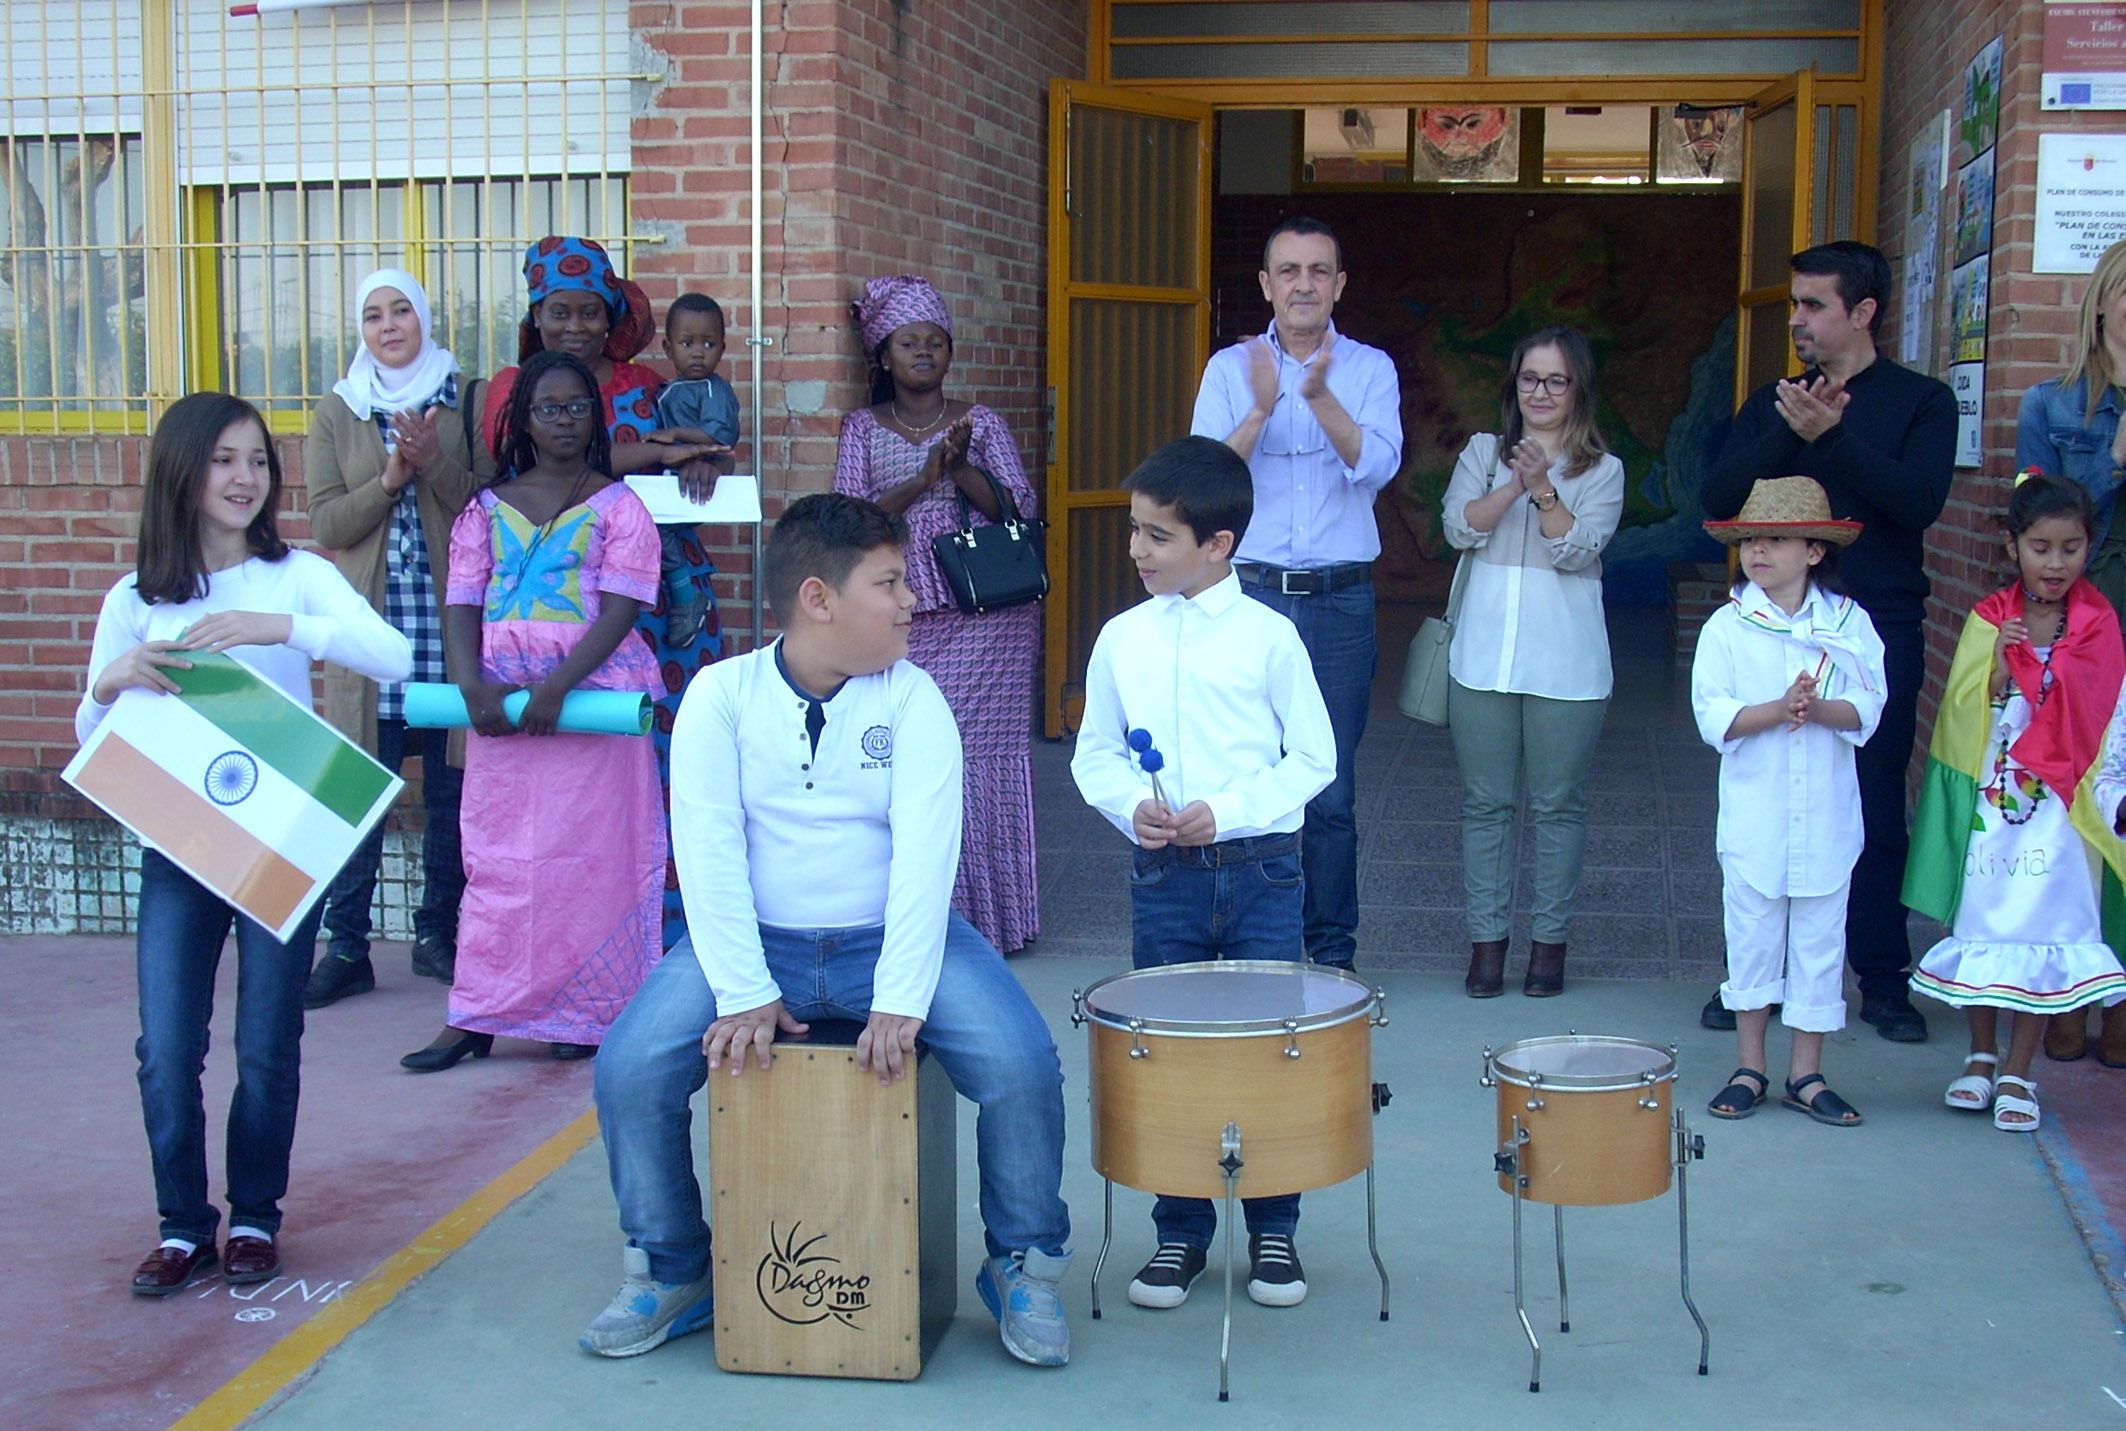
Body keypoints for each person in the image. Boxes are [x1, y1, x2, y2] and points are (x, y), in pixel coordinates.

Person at [584, 494, 1072, 1367]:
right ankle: (674, 1265)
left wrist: (899, 997)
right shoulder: (720, 697)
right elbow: (707, 852)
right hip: (754, 939)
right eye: (888, 583)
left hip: (888, 936)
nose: (910, 600)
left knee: (1019, 1061)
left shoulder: (916, 698)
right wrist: (743, 989)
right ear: (819, 598)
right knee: (629, 1067)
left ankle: (1023, 1261)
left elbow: (930, 858)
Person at [78, 392, 412, 1294]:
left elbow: (393, 655)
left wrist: (281, 627)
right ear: (183, 471)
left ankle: (256, 1215)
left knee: (267, 1039)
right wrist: (112, 681)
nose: (244, 478)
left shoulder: (294, 573)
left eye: (258, 461)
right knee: (167, 1045)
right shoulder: (136, 596)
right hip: (181, 843)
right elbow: (88, 737)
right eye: (224, 460)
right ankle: (184, 1225)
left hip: (282, 839)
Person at [1071, 436, 1335, 1310]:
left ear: (1217, 545)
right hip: (1165, 878)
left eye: (1157, 535)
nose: (1137, 549)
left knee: (1269, 1050)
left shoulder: (1271, 637)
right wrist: (1129, 810)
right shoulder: (1122, 638)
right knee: (1169, 1051)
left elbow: (1314, 760)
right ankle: (1179, 1232)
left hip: (1263, 872)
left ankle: (1274, 1228)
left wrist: (1229, 810)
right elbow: (1096, 755)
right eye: (1134, 530)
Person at [1698, 241, 1956, 1043]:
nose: (1798, 320)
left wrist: (1835, 438)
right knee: (1770, 804)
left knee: (1872, 803)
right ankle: (1756, 985)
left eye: (1813, 305)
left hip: (1872, 623)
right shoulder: (1773, 401)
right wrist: (1792, 427)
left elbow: (1919, 502)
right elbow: (1717, 497)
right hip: (1772, 625)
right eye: (1795, 305)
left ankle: (1880, 976)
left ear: (1864, 311)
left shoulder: (1922, 400)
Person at [400, 351, 665, 1071]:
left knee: (588, 862)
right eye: (548, 407)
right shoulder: (483, 510)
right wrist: (468, 685)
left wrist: (559, 687)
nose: (565, 419)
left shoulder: (621, 507)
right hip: (501, 707)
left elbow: (622, 607)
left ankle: (583, 1012)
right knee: (501, 861)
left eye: (578, 406)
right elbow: (460, 599)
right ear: (521, 420)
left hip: (588, 702)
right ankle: (479, 1012)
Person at [482, 237, 726, 953]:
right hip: (564, 611)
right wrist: (658, 452)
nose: (577, 326)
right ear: (537, 314)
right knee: (581, 777)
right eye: (561, 312)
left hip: (665, 601)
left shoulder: (648, 381)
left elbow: (701, 445)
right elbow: (533, 465)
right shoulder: (514, 388)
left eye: (592, 312)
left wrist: (700, 460)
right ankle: (588, 942)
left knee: (674, 760)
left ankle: (677, 936)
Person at [1189, 217, 1404, 972]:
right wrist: (1261, 405)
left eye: (1319, 270)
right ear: (1266, 285)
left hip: (1340, 603)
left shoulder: (1371, 368)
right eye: (1289, 271)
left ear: (1339, 285)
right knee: (1245, 773)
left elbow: (1375, 466)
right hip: (1247, 599)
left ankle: (1331, 952)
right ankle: (1250, 941)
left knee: (1330, 788)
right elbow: (1207, 478)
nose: (1304, 284)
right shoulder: (1229, 369)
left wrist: (1316, 396)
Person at [1905, 474, 2126, 1132]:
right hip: (1995, 810)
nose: (2055, 562)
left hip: (2065, 813)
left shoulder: (2098, 626)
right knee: (1987, 924)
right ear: (2012, 547)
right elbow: (1960, 717)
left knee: (2043, 932)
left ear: (2090, 546)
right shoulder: (1987, 621)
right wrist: (1999, 676)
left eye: (2070, 547)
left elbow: (2109, 715)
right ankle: (1978, 1053)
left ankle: (2018, 1069)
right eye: (2040, 547)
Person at [834, 274, 1042, 953]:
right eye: (907, 341)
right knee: (909, 759)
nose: (923, 351)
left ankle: (991, 921)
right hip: (898, 611)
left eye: (935, 341)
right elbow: (848, 519)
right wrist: (923, 478)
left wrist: (958, 469)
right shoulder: (861, 429)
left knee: (977, 760)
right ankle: (918, 916)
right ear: (883, 355)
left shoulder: (983, 423)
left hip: (987, 623)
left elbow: (1019, 513)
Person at [303, 268, 481, 1008]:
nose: (388, 325)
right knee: (358, 793)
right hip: (371, 638)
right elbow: (325, 526)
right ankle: (347, 945)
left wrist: (431, 459)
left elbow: (483, 505)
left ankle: (438, 934)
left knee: (450, 794)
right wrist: (388, 476)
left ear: (425, 315)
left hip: (447, 632)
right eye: (372, 314)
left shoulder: (462, 397)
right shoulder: (340, 408)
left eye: (402, 308)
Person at [1440, 326, 1625, 998]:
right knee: (1485, 805)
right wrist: (1515, 483)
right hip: (1481, 659)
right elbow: (1460, 527)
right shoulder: (1483, 453)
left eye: (1555, 380)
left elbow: (1576, 551)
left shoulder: (1603, 469)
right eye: (1528, 378)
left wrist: (1546, 489)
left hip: (1568, 666)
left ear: (1578, 389)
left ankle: (1549, 949)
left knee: (1557, 807)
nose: (1540, 392)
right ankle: (1486, 946)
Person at [1694, 478, 1884, 1129]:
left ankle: (1807, 1072)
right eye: (1751, 539)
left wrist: (1816, 707)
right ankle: (1751, 1064)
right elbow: (1711, 713)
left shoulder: (1849, 622)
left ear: (1813, 550)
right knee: (1750, 938)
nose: (1759, 551)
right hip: (1755, 819)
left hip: (1826, 819)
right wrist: (1777, 709)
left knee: (1818, 944)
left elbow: (1868, 704)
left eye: (1776, 539)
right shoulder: (1727, 625)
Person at [2014, 237, 2126, 1065]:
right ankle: (2065, 990)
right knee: (2076, 813)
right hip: (2088, 632)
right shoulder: (2052, 408)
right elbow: (2048, 528)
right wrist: (2116, 459)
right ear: (2104, 300)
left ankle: (2119, 1000)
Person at [652, 292, 742, 649]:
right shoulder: (671, 389)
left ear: (722, 348)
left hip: (694, 481)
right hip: (670, 479)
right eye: (687, 343)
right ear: (668, 347)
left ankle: (686, 596)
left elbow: (719, 434)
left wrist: (674, 436)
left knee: (658, 528)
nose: (698, 352)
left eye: (708, 343)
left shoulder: (712, 388)